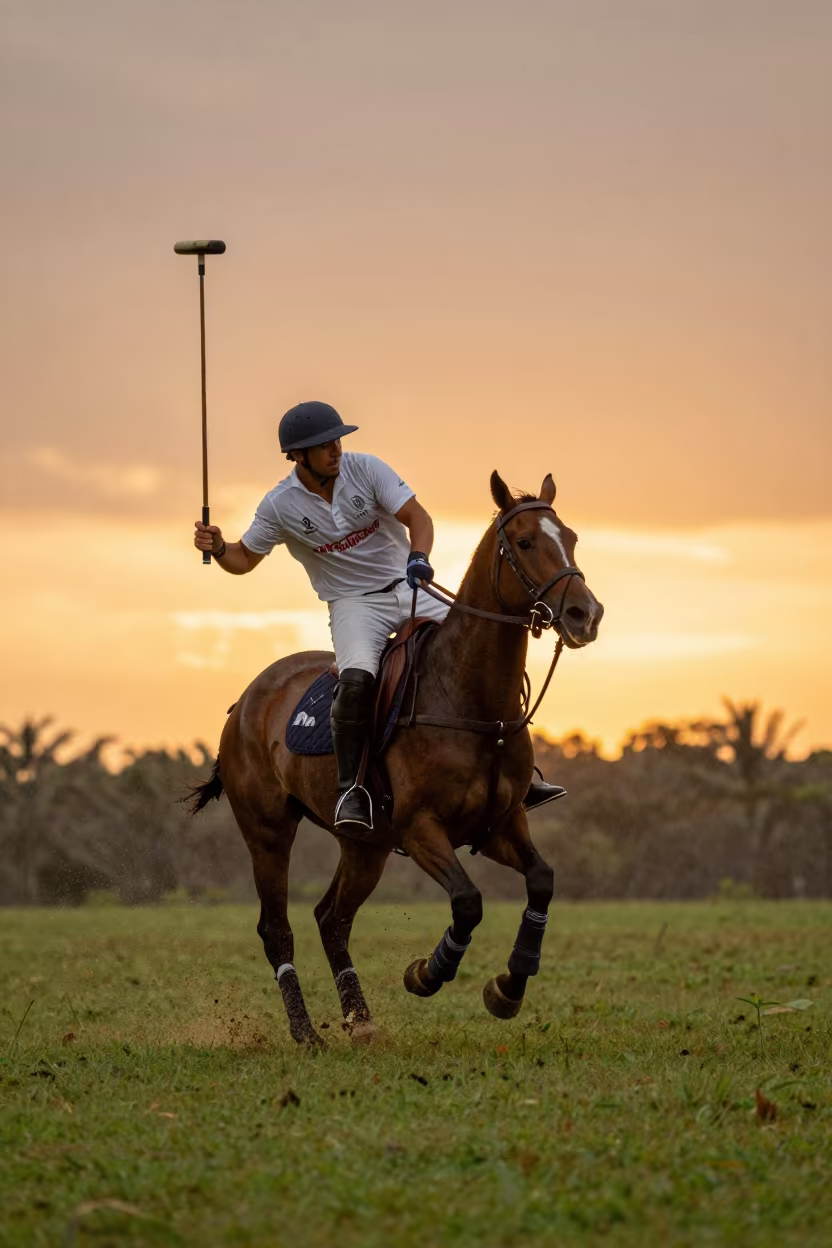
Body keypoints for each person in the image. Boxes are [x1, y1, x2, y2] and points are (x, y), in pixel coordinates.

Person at [194, 401, 564, 837]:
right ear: (298, 455)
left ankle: (521, 775)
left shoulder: (366, 470)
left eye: (337, 440)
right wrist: (218, 548)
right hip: (353, 605)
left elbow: (418, 518)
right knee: (356, 681)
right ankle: (353, 790)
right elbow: (243, 559)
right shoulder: (280, 505)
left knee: (478, 654)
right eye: (323, 445)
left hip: (408, 582)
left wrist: (419, 557)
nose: (335, 449)